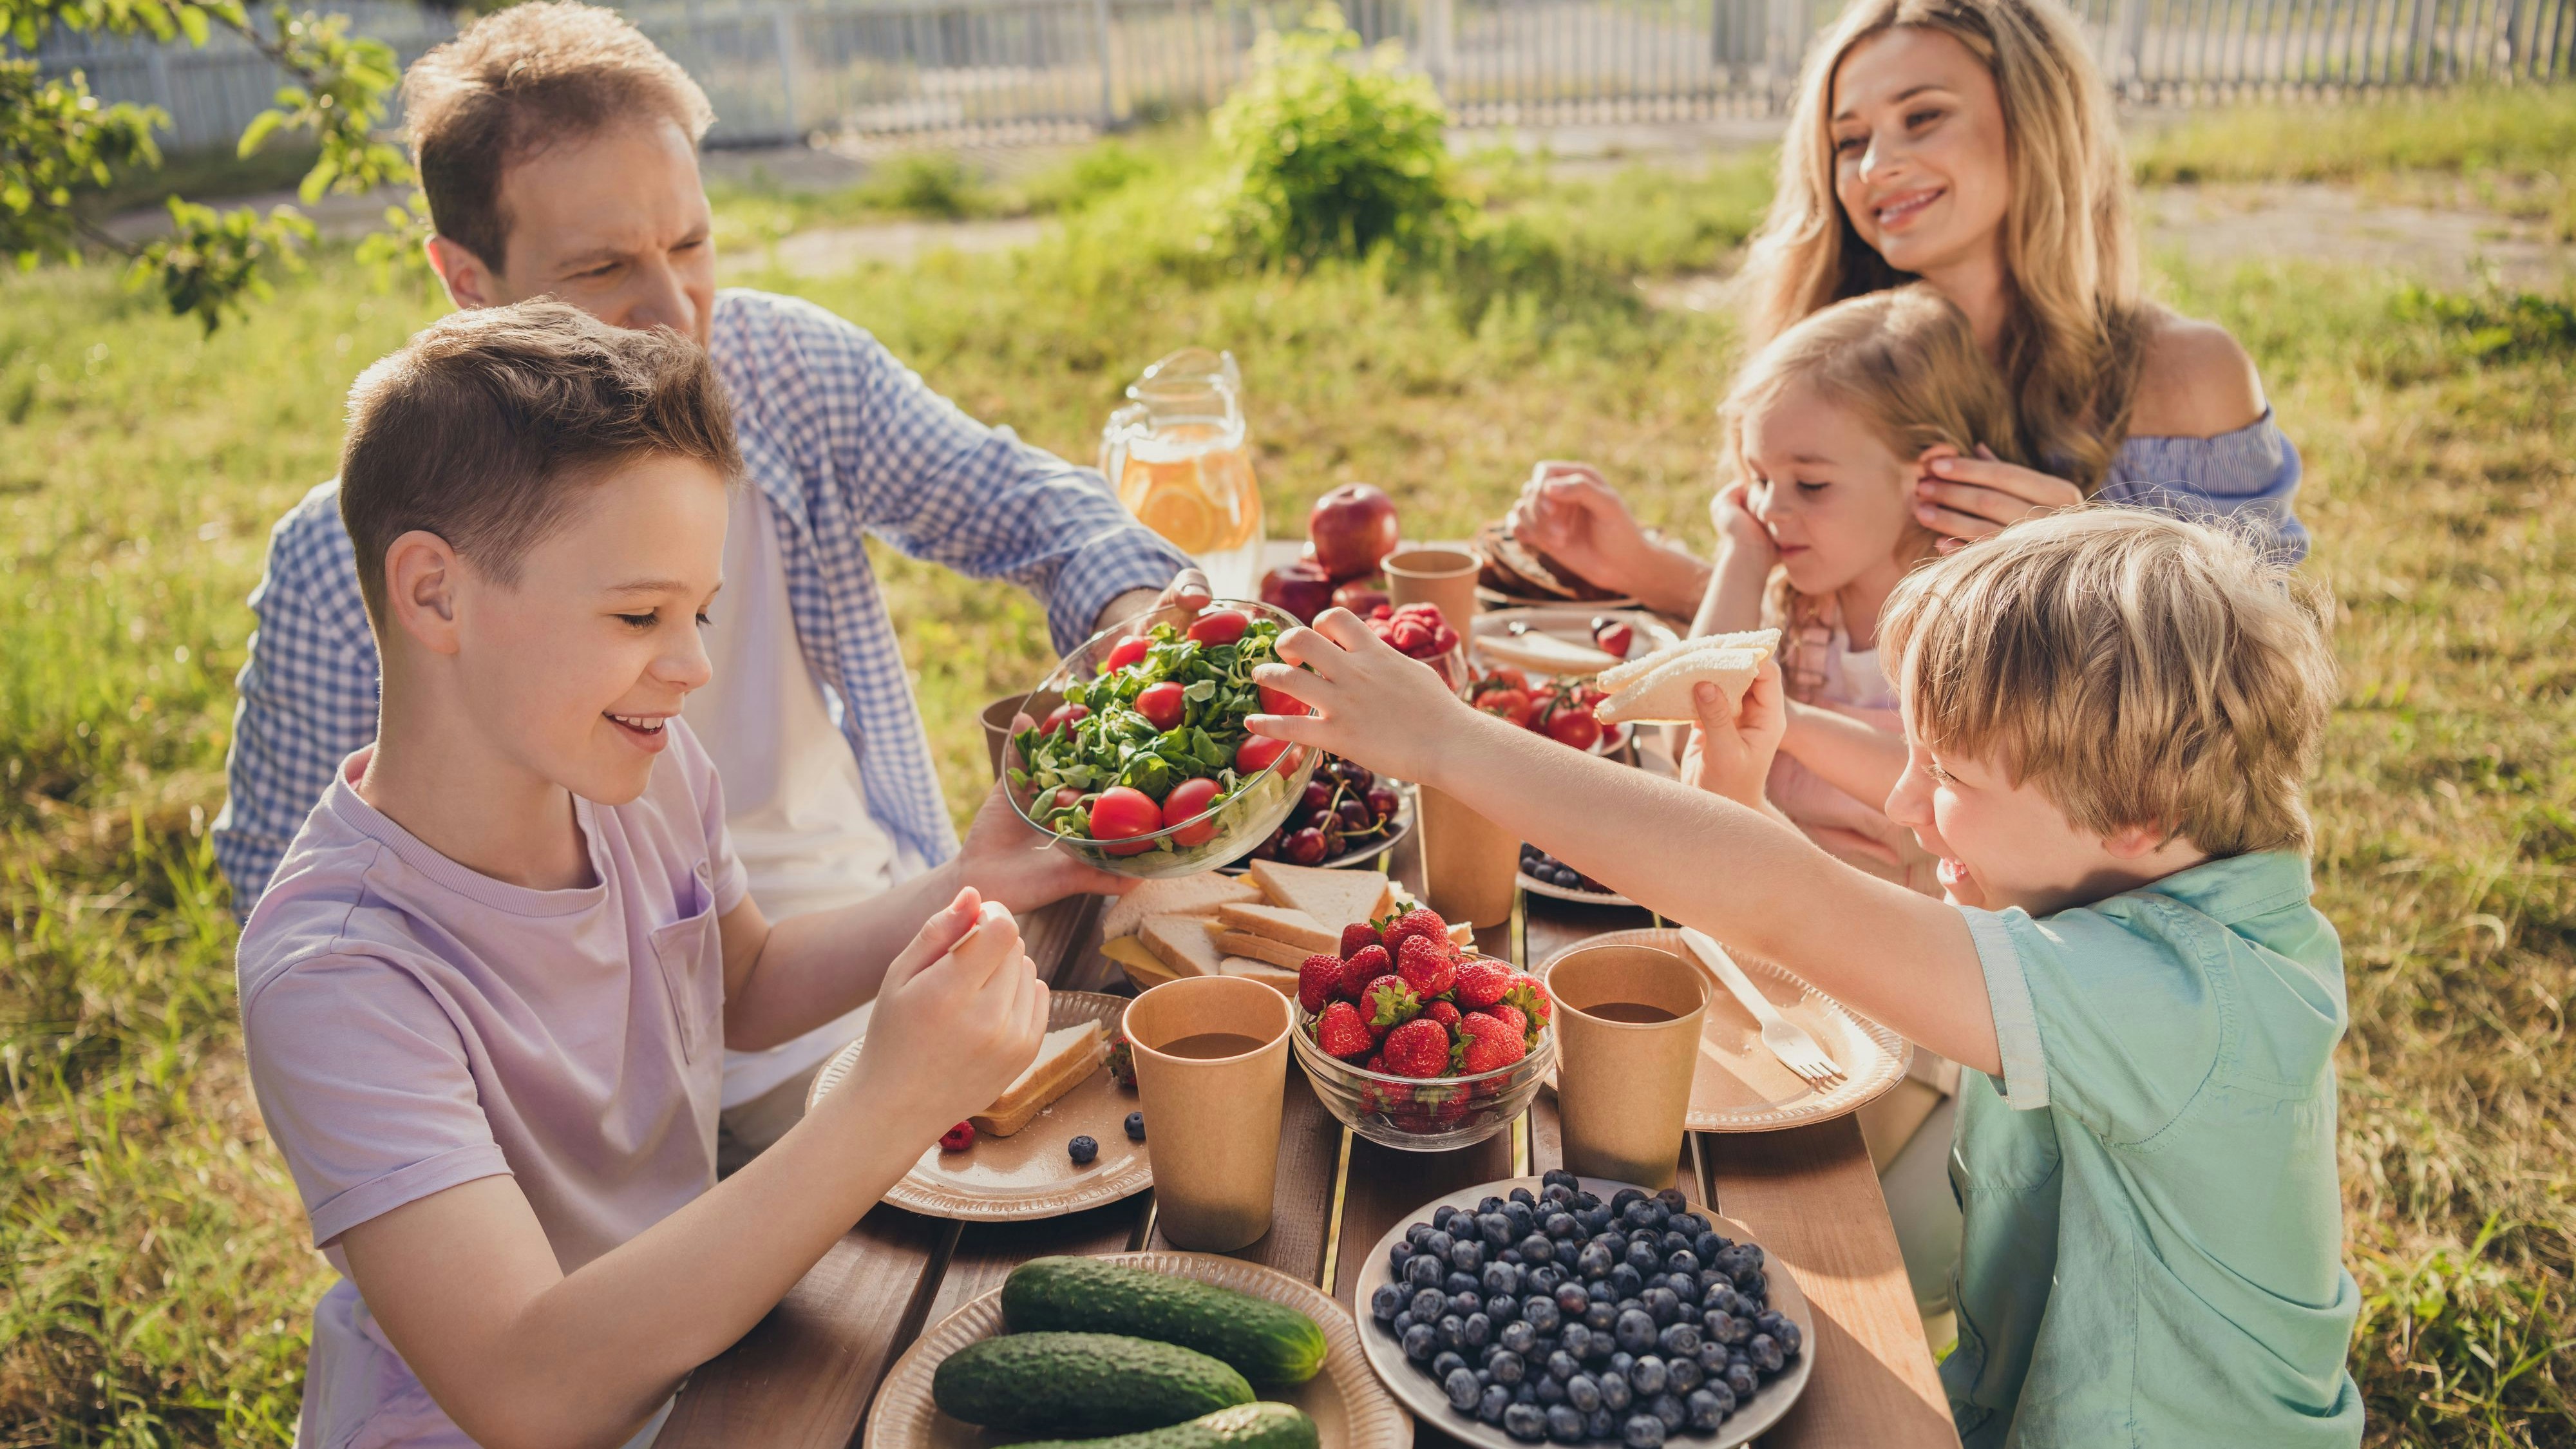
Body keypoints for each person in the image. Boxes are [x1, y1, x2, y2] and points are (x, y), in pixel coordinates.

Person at [211, 1, 1199, 1166]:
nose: (678, 313)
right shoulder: (353, 559)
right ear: (467, 280)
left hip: (858, 952)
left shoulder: (787, 372)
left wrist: (1143, 627)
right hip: (593, 1103)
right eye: (603, 267)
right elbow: (302, 914)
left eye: (690, 245)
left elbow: (1028, 505)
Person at [1245, 508, 2362, 1447]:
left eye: (1950, 775)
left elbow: (1798, 906)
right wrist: (1749, 796)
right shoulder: (2164, 895)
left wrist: (1451, 745)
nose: (1903, 808)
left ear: (2137, 813)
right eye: (1911, 756)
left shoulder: (2180, 1007)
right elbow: (1838, 931)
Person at [238, 301, 1106, 1449]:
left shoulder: (638, 775)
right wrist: (889, 1100)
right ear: (435, 593)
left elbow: (740, 981)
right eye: (640, 613)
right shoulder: (341, 973)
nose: (693, 665)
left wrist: (968, 875)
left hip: (710, 1348)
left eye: (699, 611)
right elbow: (526, 1388)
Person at [1504, 0, 2308, 618]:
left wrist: (2081, 560)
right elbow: (1822, 646)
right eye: (1850, 141)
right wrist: (1641, 568)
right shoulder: (1829, 359)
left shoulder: (2184, 377)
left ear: (2036, 123)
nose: (1877, 167)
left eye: (1922, 117)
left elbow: (2261, 677)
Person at [1687, 284, 2012, 895]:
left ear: (1928, 477)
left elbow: (1940, 784)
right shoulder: (1807, 599)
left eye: (1810, 484)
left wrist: (1783, 721)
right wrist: (1745, 555)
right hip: (1781, 901)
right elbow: (1698, 710)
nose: (1769, 507)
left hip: (1916, 928)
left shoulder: (1969, 614)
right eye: (1758, 477)